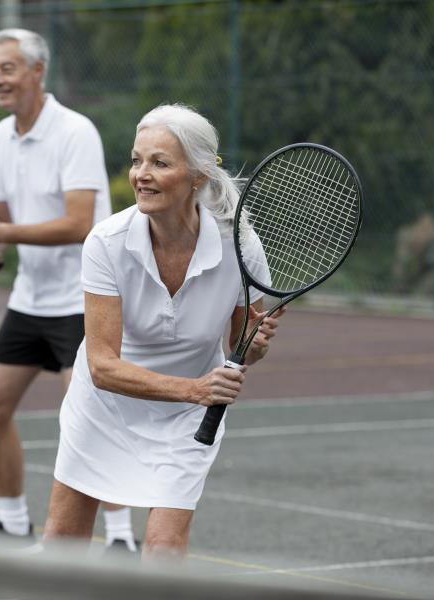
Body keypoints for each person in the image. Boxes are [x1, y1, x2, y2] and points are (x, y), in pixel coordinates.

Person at [42, 104, 285, 558]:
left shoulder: (242, 245)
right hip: (105, 408)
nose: (141, 175)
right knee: (62, 546)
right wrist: (194, 389)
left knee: (164, 550)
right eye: (136, 160)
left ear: (197, 177)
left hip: (186, 421)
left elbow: (241, 349)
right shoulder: (106, 243)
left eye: (159, 162)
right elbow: (102, 367)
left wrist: (256, 347)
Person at [0, 28, 137, 551]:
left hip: (85, 299)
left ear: (37, 71)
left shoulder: (76, 133)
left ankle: (121, 539)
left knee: (91, 421)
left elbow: (79, 223)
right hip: (29, 300)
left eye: (7, 68)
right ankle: (11, 523)